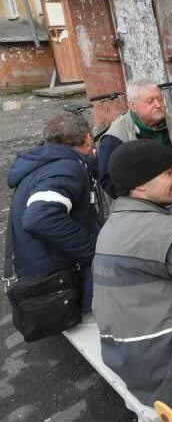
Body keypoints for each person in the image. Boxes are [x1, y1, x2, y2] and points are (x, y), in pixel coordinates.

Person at [92, 139, 172, 407]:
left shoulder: (115, 221)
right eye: (169, 172)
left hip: (131, 361)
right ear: (140, 184)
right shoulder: (166, 235)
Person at [7, 113, 102, 313]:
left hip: (40, 267)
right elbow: (39, 217)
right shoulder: (67, 169)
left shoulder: (43, 162)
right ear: (87, 138)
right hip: (60, 274)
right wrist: (91, 250)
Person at [98, 79, 172, 199]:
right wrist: (147, 199)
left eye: (160, 99)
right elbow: (109, 181)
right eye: (150, 101)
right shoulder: (115, 137)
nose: (158, 105)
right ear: (133, 106)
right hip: (149, 204)